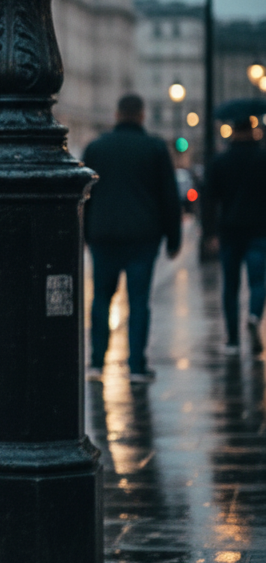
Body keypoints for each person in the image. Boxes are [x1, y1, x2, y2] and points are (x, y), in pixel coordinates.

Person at [83, 93, 182, 382]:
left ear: (116, 115)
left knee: (101, 298)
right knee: (139, 301)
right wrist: (173, 239)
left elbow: (84, 196)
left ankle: (97, 362)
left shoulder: (96, 148)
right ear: (141, 115)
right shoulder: (154, 148)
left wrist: (86, 232)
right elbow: (169, 197)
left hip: (103, 236)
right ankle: (136, 365)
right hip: (143, 236)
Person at [207, 116, 266, 355]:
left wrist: (210, 233)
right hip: (259, 230)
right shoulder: (263, 159)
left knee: (230, 286)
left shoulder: (221, 160)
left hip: (229, 230)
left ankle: (232, 339)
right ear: (252, 130)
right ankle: (253, 315)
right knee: (258, 281)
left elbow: (210, 199)